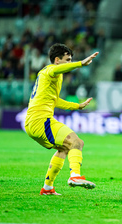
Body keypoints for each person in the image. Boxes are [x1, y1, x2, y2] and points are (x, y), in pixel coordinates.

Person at [25, 43, 98, 195]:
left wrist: (77, 106)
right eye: (68, 60)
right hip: (40, 120)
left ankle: (47, 188)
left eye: (72, 60)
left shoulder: (54, 76)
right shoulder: (50, 70)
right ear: (57, 60)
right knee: (76, 142)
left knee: (64, 148)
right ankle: (75, 176)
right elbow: (57, 69)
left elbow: (55, 100)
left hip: (35, 121)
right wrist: (80, 64)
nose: (70, 63)